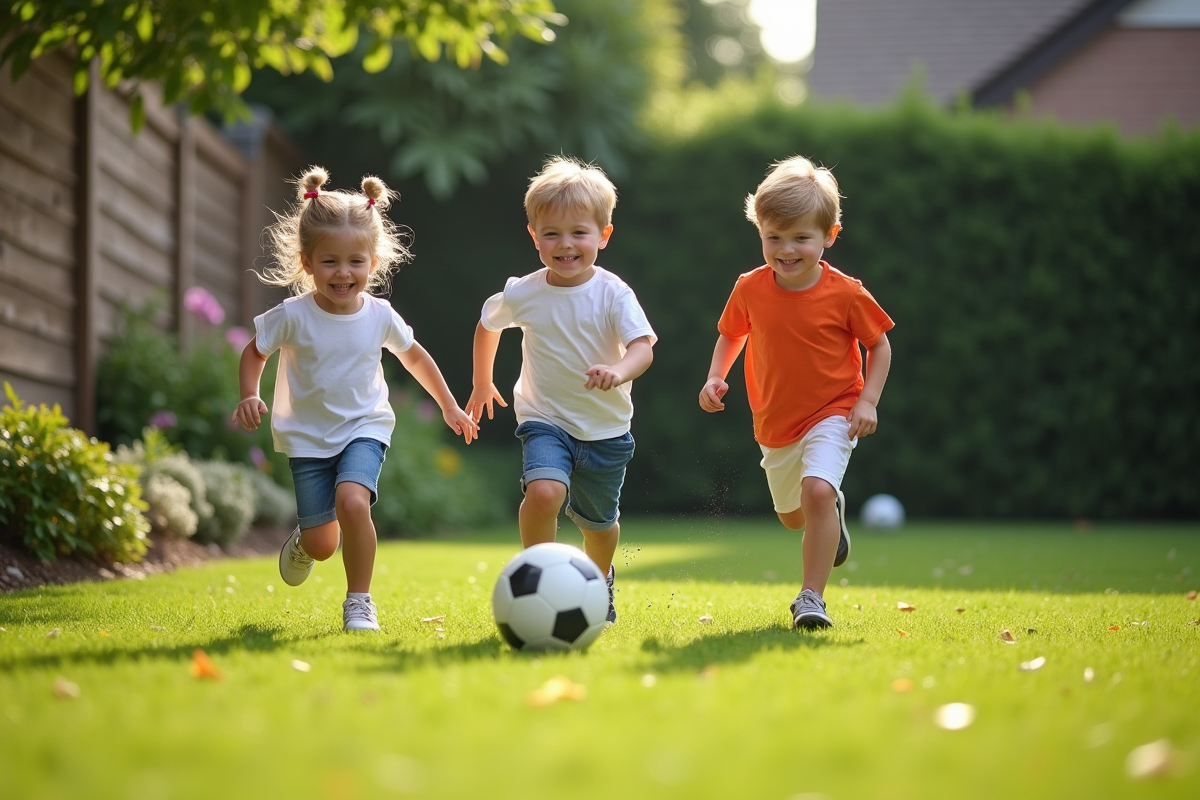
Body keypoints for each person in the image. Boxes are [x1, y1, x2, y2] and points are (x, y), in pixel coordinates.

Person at [232, 167, 478, 632]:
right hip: (307, 437)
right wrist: (249, 394)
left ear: (373, 260)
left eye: (355, 262)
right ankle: (307, 541)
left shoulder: (379, 315)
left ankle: (359, 602)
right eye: (330, 262)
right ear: (307, 262)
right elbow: (253, 352)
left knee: (353, 502)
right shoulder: (292, 316)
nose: (343, 273)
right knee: (324, 543)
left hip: (364, 426)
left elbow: (416, 358)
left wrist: (448, 404)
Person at [698, 155, 894, 630]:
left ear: (830, 235)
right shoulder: (750, 287)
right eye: (774, 238)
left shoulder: (846, 293)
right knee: (793, 516)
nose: (786, 250)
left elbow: (879, 344)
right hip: (775, 423)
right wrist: (714, 376)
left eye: (801, 238)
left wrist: (867, 401)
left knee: (816, 491)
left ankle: (811, 598)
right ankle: (832, 511)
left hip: (835, 409)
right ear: (760, 232)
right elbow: (731, 334)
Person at [466, 156, 656, 624]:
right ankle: (537, 575)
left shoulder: (614, 293)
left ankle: (600, 578)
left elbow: (643, 347)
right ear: (534, 236)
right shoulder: (523, 292)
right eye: (551, 234)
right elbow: (488, 326)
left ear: (603, 236)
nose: (565, 244)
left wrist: (620, 369)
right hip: (544, 419)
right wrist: (482, 380)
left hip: (605, 430)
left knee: (600, 526)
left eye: (578, 233)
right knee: (545, 493)